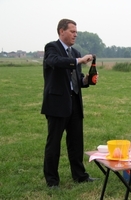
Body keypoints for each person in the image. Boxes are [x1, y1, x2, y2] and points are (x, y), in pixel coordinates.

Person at [41, 18, 96, 188]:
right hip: (57, 104)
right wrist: (79, 61)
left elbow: (76, 79)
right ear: (61, 31)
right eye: (72, 31)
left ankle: (80, 175)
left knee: (76, 142)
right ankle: (52, 181)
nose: (75, 35)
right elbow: (56, 62)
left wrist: (86, 80)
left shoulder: (75, 51)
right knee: (54, 144)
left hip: (74, 104)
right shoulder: (52, 48)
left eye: (76, 32)